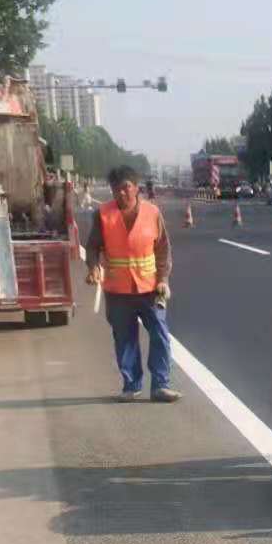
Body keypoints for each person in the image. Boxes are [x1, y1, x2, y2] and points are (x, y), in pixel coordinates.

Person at [86, 165, 181, 402]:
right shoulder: (103, 215)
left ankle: (160, 385)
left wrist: (163, 279)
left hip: (150, 289)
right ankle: (131, 385)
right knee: (125, 339)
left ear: (136, 187)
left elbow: (163, 249)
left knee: (160, 335)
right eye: (116, 189)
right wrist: (93, 267)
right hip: (118, 291)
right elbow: (92, 246)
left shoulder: (152, 213)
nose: (121, 193)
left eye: (126, 187)